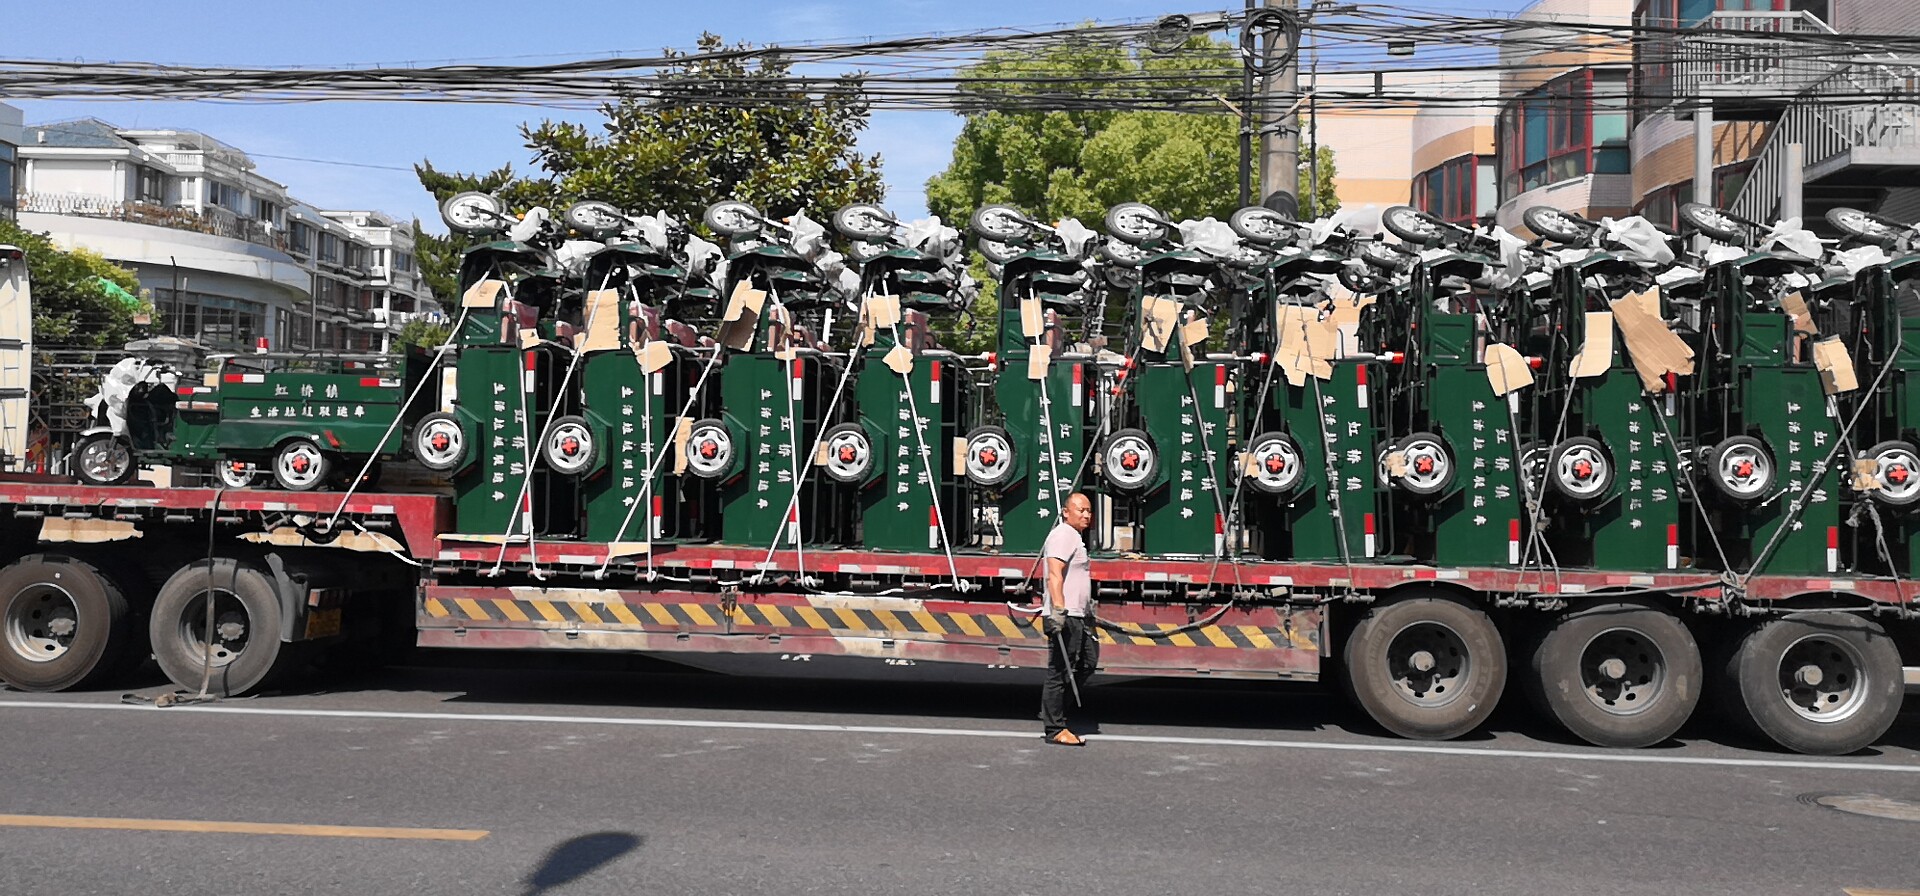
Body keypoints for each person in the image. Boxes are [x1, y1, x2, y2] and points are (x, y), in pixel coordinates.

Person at [1040, 492, 1098, 746]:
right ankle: (1055, 728)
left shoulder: (1074, 536)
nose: (1086, 514)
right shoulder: (1063, 534)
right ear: (1066, 512)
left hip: (1078, 615)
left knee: (1088, 660)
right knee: (1059, 671)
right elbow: (1054, 573)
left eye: (1088, 510)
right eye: (1080, 510)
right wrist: (1058, 611)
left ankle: (1052, 709)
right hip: (1066, 615)